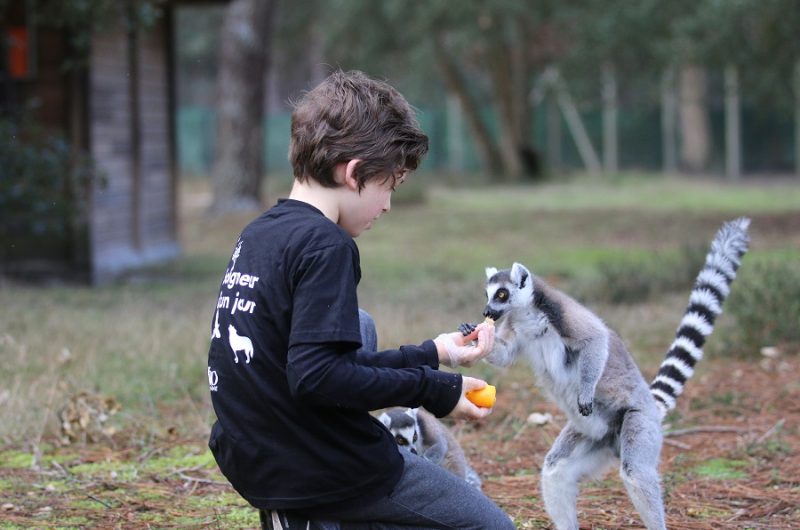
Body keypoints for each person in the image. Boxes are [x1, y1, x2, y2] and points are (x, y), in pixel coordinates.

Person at [206, 70, 513, 530]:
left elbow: (315, 362)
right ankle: (316, 510)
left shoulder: (260, 233)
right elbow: (319, 377)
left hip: (252, 453)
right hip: (314, 466)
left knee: (357, 324)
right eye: (388, 186)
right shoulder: (327, 246)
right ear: (353, 174)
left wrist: (436, 354)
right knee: (492, 527)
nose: (387, 205)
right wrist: (432, 390)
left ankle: (305, 513)